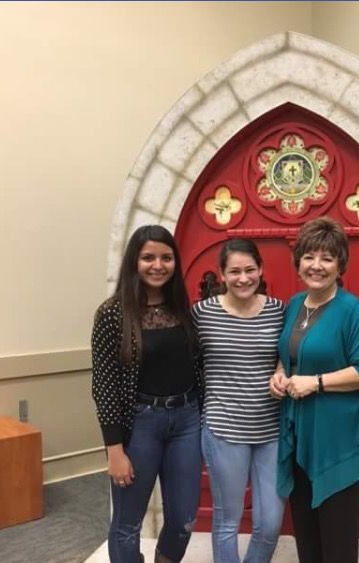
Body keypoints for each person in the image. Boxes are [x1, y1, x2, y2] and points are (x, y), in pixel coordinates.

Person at [268, 216, 359, 563]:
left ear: (340, 264)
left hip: (337, 440)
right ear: (298, 260)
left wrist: (315, 383)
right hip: (299, 433)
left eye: (327, 258)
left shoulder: (351, 311)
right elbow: (292, 355)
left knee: (337, 542)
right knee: (307, 537)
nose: (316, 265)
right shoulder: (295, 304)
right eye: (309, 257)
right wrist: (280, 373)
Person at [91, 225, 202, 563]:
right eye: (148, 257)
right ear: (134, 262)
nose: (158, 265)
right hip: (140, 425)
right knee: (127, 524)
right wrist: (114, 450)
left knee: (184, 518)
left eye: (166, 257)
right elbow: (104, 385)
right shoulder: (112, 314)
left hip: (186, 420)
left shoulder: (185, 310)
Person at [192, 239, 285, 563]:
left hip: (271, 431)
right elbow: (185, 362)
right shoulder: (202, 314)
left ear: (260, 269)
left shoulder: (278, 311)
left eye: (249, 270)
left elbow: (290, 353)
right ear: (222, 274)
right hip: (223, 429)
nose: (243, 278)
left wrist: (280, 369)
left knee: (270, 523)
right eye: (234, 271)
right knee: (227, 521)